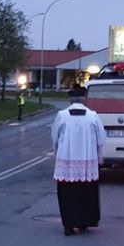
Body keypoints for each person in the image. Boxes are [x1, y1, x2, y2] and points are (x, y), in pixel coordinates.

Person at [51, 85, 106, 236]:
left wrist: (58, 152)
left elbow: (54, 137)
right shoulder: (93, 115)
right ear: (84, 100)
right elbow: (101, 139)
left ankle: (68, 224)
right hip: (87, 162)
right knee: (85, 193)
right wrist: (99, 156)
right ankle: (85, 221)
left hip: (67, 161)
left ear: (70, 100)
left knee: (68, 193)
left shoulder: (62, 115)